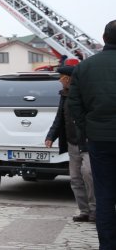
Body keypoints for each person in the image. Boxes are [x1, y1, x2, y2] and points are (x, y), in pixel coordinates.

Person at [69, 20, 116, 247]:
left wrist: (87, 129)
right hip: (100, 134)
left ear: (104, 38)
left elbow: (74, 105)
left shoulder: (84, 67)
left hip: (100, 139)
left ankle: (107, 245)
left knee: (104, 196)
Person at [45, 62, 95, 222]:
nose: (60, 80)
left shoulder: (86, 93)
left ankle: (95, 211)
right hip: (72, 143)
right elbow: (60, 117)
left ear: (68, 79)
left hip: (86, 142)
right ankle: (84, 211)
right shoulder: (64, 95)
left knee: (89, 175)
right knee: (75, 178)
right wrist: (51, 136)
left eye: (61, 78)